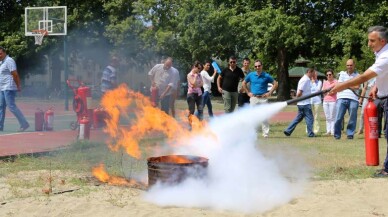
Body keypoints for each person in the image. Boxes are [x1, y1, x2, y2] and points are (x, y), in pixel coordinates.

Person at [329, 26, 388, 177]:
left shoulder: (385, 56)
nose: (369, 44)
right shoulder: (380, 53)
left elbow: (363, 78)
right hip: (383, 96)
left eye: (372, 41)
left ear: (383, 40)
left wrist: (341, 86)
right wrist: (376, 86)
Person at [242, 60, 278, 138]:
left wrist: (269, 92)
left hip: (263, 99)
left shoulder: (266, 75)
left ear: (261, 66)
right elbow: (243, 83)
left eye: (259, 66)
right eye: (256, 66)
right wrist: (248, 93)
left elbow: (275, 84)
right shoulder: (251, 75)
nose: (257, 67)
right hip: (254, 98)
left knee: (264, 117)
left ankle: (265, 134)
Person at [0, 46, 30, 132]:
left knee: (11, 106)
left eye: (0, 53)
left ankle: (24, 124)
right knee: (1, 107)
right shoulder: (1, 62)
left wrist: (18, 85)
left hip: (9, 87)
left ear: (4, 52)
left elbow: (15, 74)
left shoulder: (9, 61)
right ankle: (0, 126)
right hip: (2, 88)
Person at [284, 68, 315, 137]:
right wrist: (297, 98)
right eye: (313, 73)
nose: (314, 74)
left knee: (298, 118)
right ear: (309, 72)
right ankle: (310, 134)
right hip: (305, 103)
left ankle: (288, 130)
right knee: (310, 118)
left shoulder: (306, 79)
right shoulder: (305, 80)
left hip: (302, 103)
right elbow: (299, 92)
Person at [333, 59, 360, 140]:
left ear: (354, 65)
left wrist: (345, 85)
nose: (349, 67)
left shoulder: (358, 75)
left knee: (352, 117)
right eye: (348, 65)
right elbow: (339, 85)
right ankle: (337, 135)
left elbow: (357, 87)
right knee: (338, 117)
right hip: (341, 97)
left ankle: (350, 134)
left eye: (351, 65)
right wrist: (350, 85)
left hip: (353, 98)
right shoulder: (342, 74)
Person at [322, 69, 337, 135]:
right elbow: (322, 91)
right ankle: (328, 131)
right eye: (327, 75)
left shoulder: (336, 82)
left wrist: (328, 92)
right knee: (327, 117)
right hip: (325, 101)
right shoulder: (325, 82)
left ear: (332, 74)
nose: (328, 76)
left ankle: (333, 131)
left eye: (330, 74)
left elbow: (335, 91)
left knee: (332, 116)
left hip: (333, 101)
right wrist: (329, 92)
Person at [310, 70, 323, 134]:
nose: (314, 77)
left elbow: (318, 90)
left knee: (316, 116)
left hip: (317, 101)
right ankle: (309, 129)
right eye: (312, 75)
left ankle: (316, 130)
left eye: (315, 75)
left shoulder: (319, 82)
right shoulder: (309, 82)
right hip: (310, 101)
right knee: (309, 116)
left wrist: (314, 83)